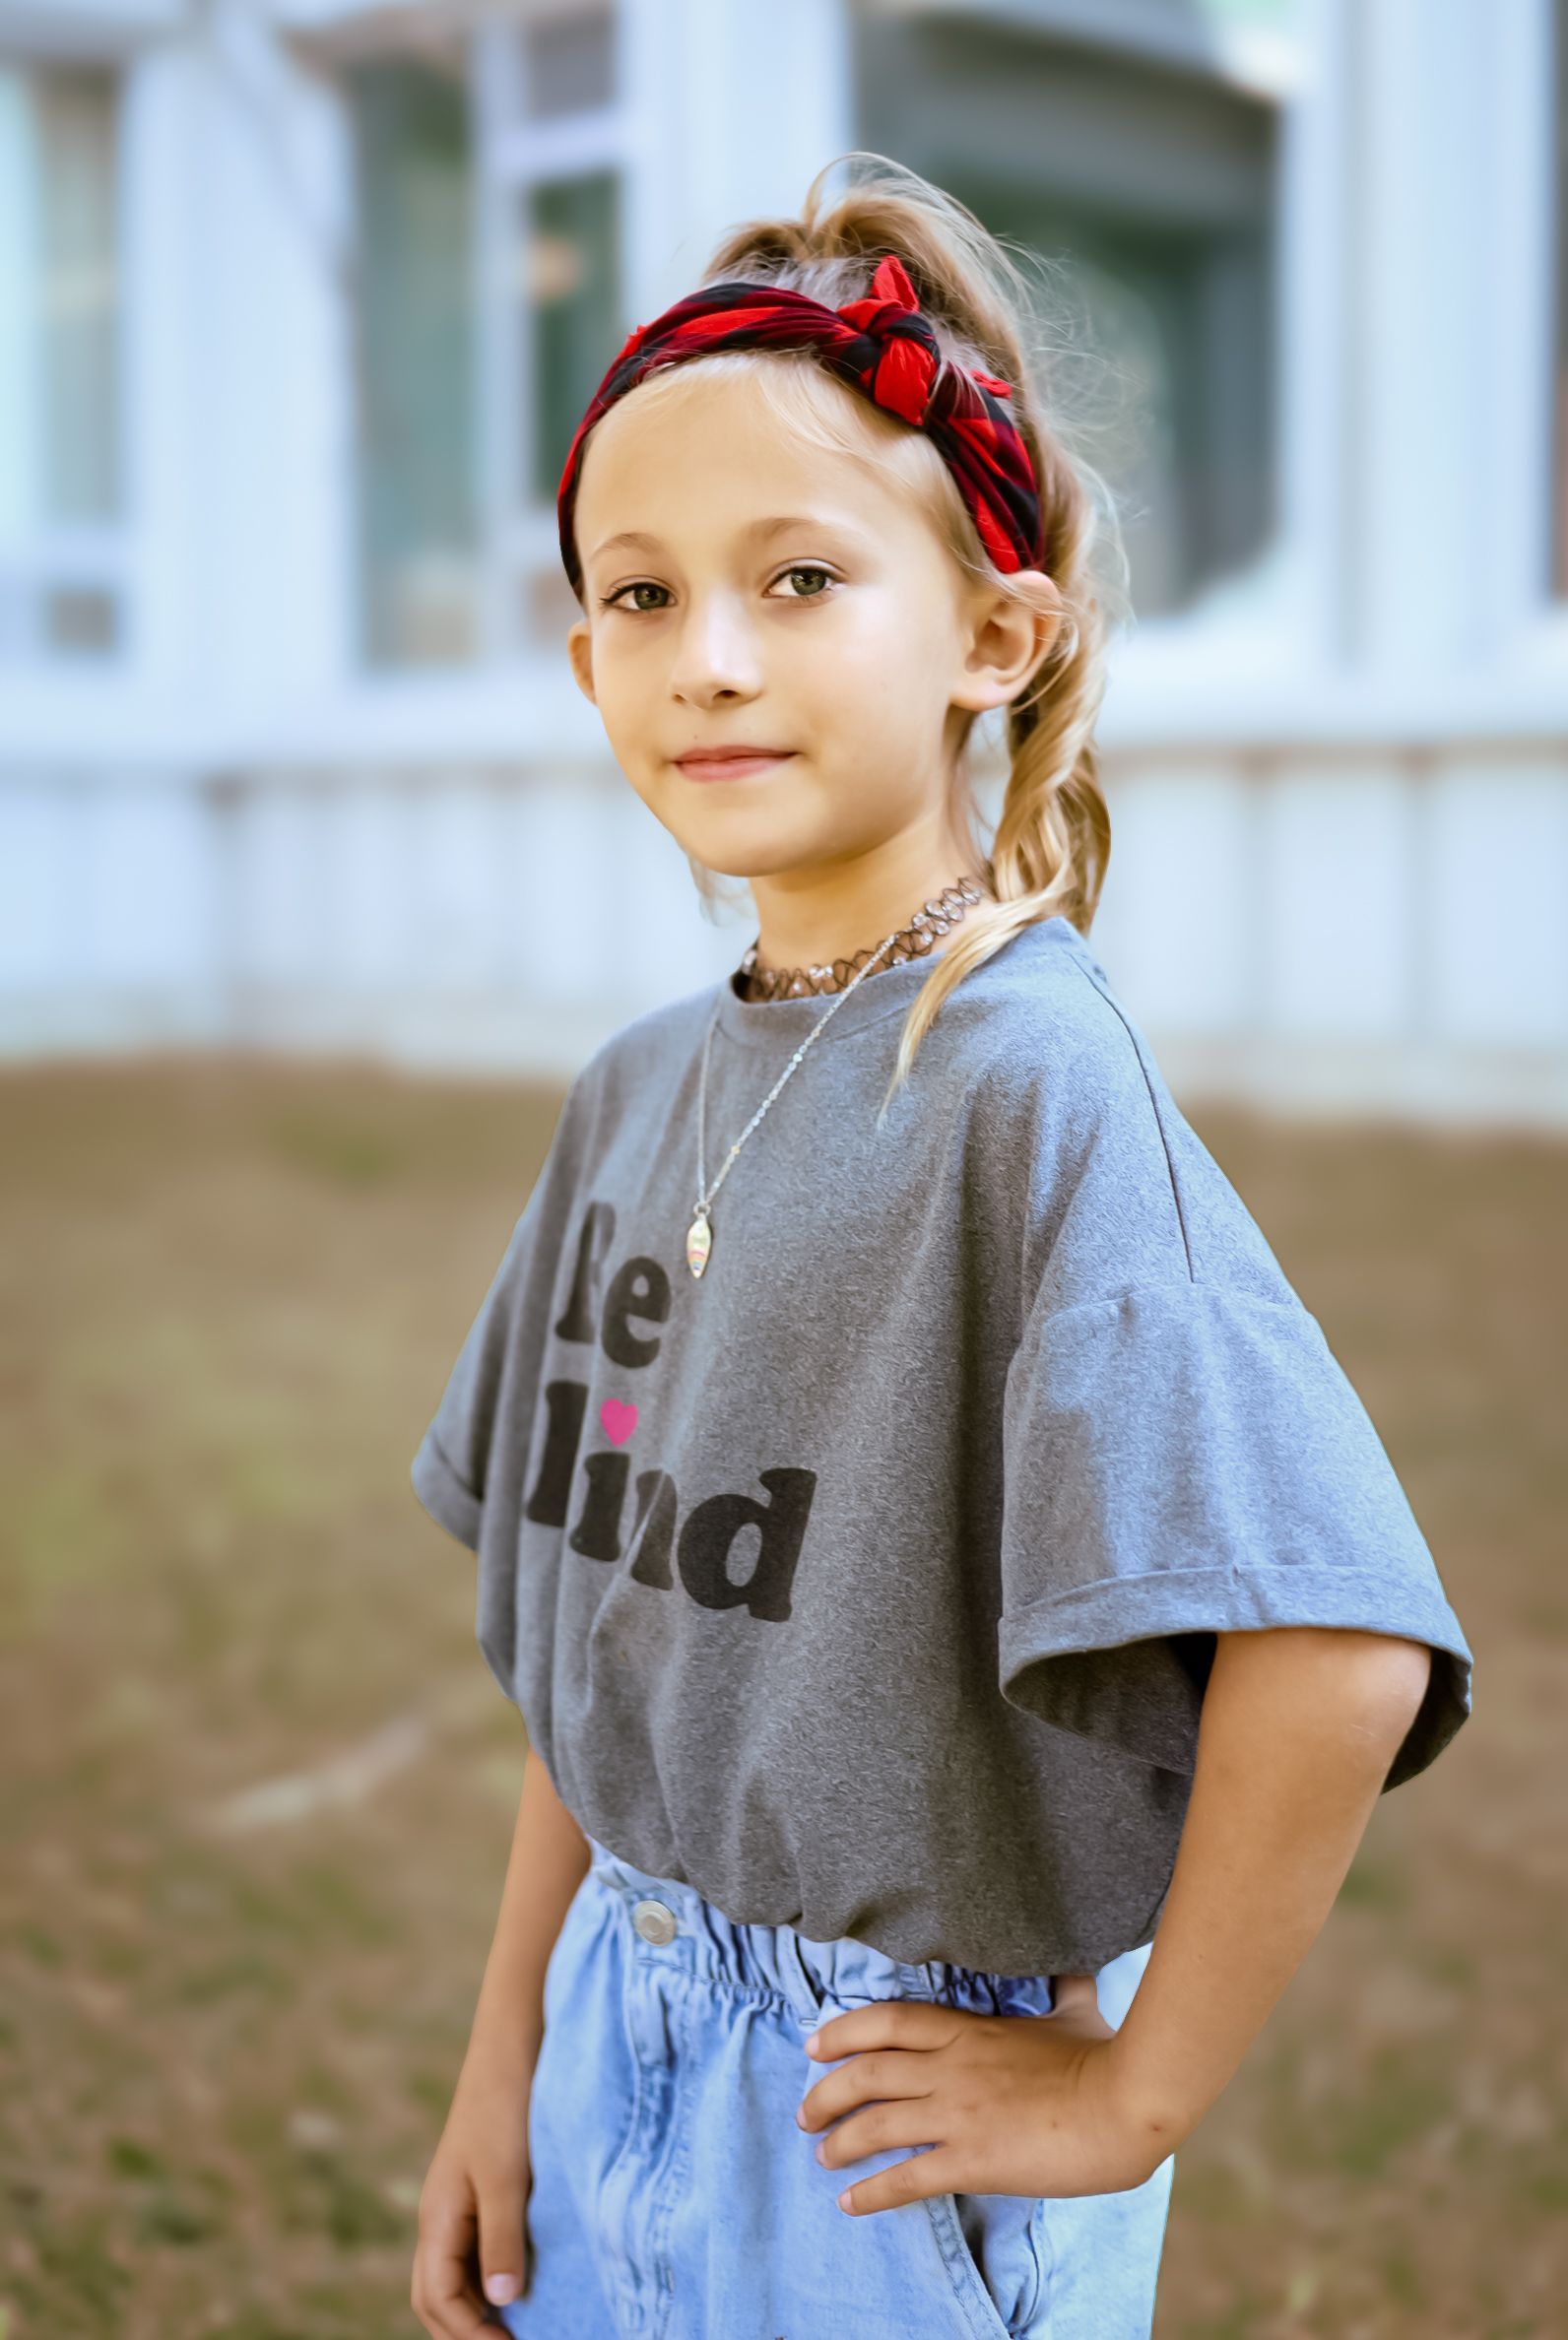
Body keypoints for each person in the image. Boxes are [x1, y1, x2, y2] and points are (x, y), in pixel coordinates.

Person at [406, 153, 1473, 2340]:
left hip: (878, 2106)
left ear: (996, 629)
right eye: (636, 593)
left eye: (799, 579)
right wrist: (503, 2046)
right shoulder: (633, 1090)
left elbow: (1334, 1647)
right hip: (622, 2001)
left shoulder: (1024, 1088)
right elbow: (617, 1629)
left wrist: (1127, 2100)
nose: (705, 659)